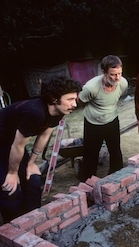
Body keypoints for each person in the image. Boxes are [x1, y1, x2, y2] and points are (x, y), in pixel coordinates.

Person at [0, 76, 81, 223]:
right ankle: (14, 227)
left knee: (32, 178)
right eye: (70, 99)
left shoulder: (59, 111)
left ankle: (34, 220)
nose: (74, 104)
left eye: (75, 99)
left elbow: (44, 135)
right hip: (5, 142)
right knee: (9, 187)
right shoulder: (35, 112)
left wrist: (31, 162)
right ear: (54, 98)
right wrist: (12, 173)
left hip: (12, 143)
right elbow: (18, 146)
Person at [78, 55, 128, 181]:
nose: (117, 78)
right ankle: (87, 181)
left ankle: (117, 178)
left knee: (115, 150)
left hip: (112, 120)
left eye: (119, 73)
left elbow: (117, 97)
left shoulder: (123, 83)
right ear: (104, 73)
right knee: (91, 154)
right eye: (113, 74)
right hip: (93, 123)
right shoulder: (91, 87)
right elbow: (80, 100)